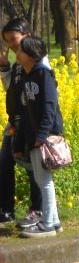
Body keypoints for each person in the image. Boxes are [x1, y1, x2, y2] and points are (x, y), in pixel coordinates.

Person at [10, 35, 63, 237]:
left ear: (32, 55)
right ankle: (54, 221)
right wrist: (22, 139)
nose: (18, 52)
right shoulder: (26, 76)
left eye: (22, 50)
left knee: (44, 179)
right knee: (41, 179)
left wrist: (42, 134)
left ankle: (48, 224)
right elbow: (24, 111)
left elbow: (50, 107)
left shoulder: (44, 75)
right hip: (33, 136)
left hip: (45, 136)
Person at [0, 18, 44, 228]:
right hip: (14, 123)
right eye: (8, 42)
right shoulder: (19, 63)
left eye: (14, 40)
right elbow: (12, 88)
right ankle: (5, 209)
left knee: (32, 168)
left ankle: (38, 210)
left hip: (29, 125)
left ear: (27, 35)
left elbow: (41, 97)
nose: (11, 45)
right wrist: (4, 66)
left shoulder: (37, 63)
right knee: (5, 164)